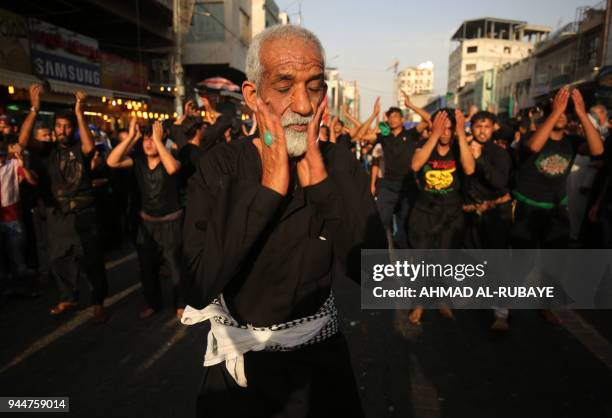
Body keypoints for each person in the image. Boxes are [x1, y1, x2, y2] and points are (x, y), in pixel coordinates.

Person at [180, 24, 386, 417]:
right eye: (285, 84)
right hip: (236, 376)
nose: (304, 105)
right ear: (253, 95)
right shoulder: (222, 166)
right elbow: (197, 284)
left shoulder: (339, 163)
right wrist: (270, 191)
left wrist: (323, 187)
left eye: (314, 86)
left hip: (319, 368)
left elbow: (374, 274)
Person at [20, 90, 109, 323]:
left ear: (73, 128)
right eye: (58, 126)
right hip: (58, 213)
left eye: (67, 126)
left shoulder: (81, 147)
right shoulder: (48, 150)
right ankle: (68, 296)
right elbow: (22, 142)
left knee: (91, 259)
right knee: (59, 259)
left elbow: (90, 148)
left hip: (84, 210)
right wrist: (34, 109)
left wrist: (79, 113)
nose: (62, 130)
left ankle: (98, 302)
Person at [107, 118, 185, 320]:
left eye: (153, 139)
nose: (149, 143)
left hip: (171, 223)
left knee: (175, 267)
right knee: (147, 267)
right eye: (146, 140)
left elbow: (172, 169)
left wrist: (159, 141)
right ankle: (153, 303)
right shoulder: (138, 161)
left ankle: (181, 304)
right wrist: (132, 136)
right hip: (147, 224)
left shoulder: (171, 156)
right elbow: (111, 161)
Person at [511, 87, 604, 249]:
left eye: (565, 113)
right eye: (556, 112)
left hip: (557, 210)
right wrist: (556, 111)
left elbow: (598, 150)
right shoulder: (530, 136)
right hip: (528, 208)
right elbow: (534, 147)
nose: (561, 115)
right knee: (522, 265)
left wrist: (582, 113)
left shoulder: (572, 141)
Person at [408, 109, 475, 324]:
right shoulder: (424, 146)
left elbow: (469, 168)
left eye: (449, 128)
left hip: (451, 214)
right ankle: (419, 303)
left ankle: (442, 299)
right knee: (421, 260)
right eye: (441, 127)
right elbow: (416, 165)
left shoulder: (459, 147)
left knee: (446, 261)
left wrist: (461, 134)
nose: (446, 133)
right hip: (424, 213)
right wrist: (434, 134)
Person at [463, 111, 513, 330]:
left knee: (497, 263)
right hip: (471, 214)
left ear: (494, 128)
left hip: (495, 215)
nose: (482, 131)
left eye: (486, 126)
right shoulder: (464, 150)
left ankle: (501, 313)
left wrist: (480, 159)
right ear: (471, 128)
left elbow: (499, 182)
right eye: (477, 126)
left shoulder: (499, 153)